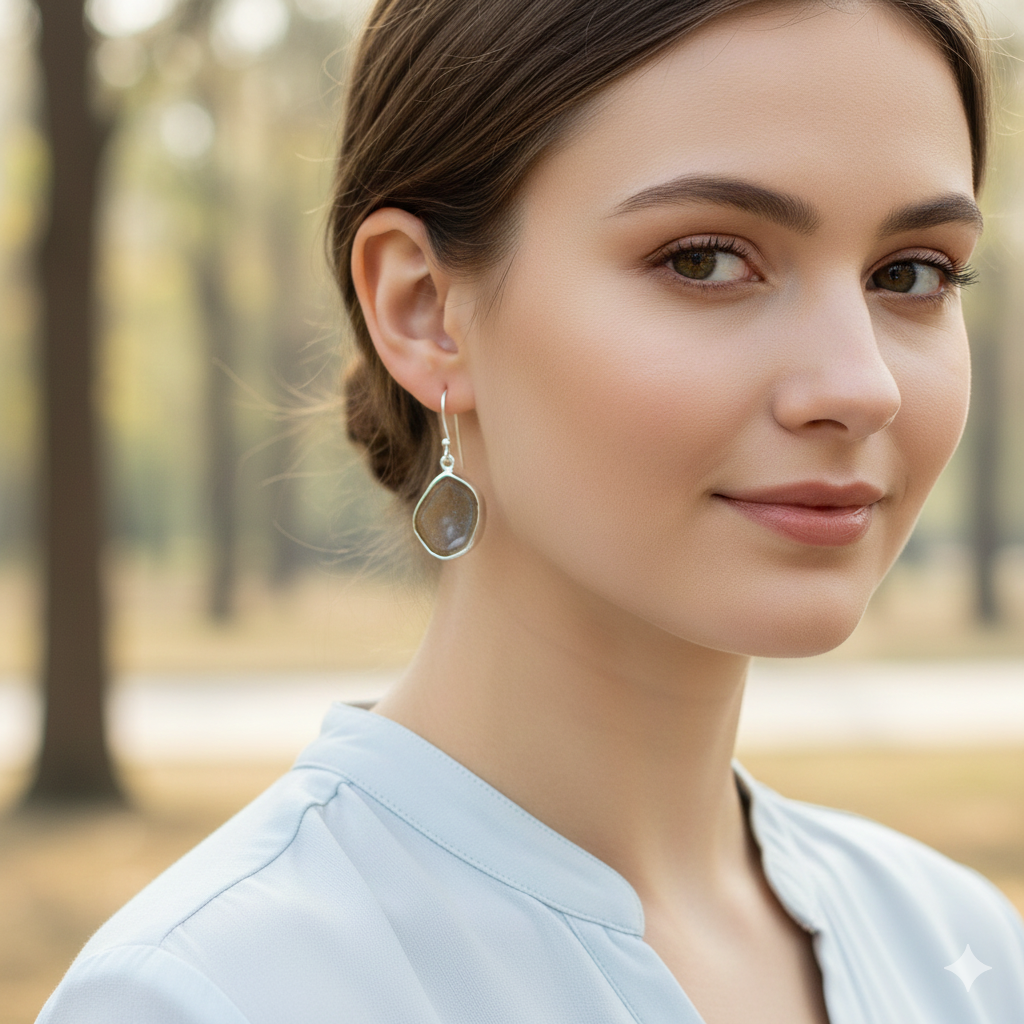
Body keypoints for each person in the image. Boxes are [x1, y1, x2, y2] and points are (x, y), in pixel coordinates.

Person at [38, 0, 1024, 1021]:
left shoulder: (959, 946)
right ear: (423, 308)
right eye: (705, 259)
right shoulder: (211, 993)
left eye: (909, 275)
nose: (861, 386)